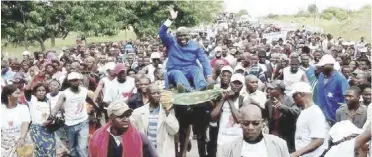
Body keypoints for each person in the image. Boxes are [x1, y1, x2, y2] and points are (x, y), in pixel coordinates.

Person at [159, 6, 213, 92]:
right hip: (174, 71)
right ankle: (186, 90)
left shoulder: (196, 45)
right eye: (179, 35)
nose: (182, 38)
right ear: (176, 36)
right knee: (178, 74)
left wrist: (209, 76)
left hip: (190, 70)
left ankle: (203, 88)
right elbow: (161, 33)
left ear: (190, 36)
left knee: (196, 71)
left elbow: (204, 61)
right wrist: (170, 19)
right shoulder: (171, 42)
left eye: (185, 35)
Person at [48, 72, 96, 157]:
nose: (74, 82)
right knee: (73, 148)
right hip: (70, 124)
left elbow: (92, 100)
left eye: (76, 80)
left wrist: (95, 109)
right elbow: (57, 107)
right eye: (72, 81)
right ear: (69, 82)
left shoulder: (84, 91)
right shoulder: (65, 94)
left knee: (82, 147)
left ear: (79, 81)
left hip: (83, 122)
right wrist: (52, 115)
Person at [217, 104, 290, 157]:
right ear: (240, 123)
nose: (250, 127)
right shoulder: (227, 149)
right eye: (246, 123)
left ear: (262, 123)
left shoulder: (279, 144)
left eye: (255, 123)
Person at [89, 101, 158, 157]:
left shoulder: (140, 138)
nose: (126, 119)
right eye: (121, 116)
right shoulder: (98, 136)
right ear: (111, 118)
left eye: (128, 115)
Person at [131, 84, 179, 157]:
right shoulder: (138, 112)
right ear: (147, 95)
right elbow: (132, 132)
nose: (156, 95)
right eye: (153, 93)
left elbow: (174, 131)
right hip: (146, 152)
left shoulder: (168, 110)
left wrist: (167, 114)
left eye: (158, 93)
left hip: (163, 152)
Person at [289, 82, 329, 157]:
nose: (293, 99)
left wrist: (296, 154)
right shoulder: (305, 111)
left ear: (300, 94)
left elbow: (318, 140)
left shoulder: (315, 112)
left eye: (294, 96)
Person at [265, 80, 300, 153]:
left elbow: (296, 112)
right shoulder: (268, 102)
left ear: (279, 91)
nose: (269, 90)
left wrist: (282, 107)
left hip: (287, 137)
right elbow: (266, 116)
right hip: (273, 135)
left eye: (271, 89)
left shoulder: (290, 100)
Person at [210, 74, 244, 147]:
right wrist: (223, 100)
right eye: (235, 83)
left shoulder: (243, 100)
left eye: (239, 83)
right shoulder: (222, 97)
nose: (237, 85)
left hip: (237, 140)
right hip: (222, 139)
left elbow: (239, 119)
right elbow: (213, 116)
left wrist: (230, 100)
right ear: (230, 83)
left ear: (242, 86)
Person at [24, 82, 57, 156]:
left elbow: (51, 114)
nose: (41, 92)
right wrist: (33, 77)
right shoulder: (32, 100)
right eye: (39, 90)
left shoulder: (48, 101)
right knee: (39, 150)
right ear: (35, 92)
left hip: (48, 129)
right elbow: (27, 89)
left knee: (51, 149)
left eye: (43, 90)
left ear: (46, 92)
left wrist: (51, 121)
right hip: (37, 129)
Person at [316, 54, 349, 125]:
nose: (321, 68)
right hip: (321, 113)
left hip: (334, 115)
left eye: (323, 66)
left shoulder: (340, 78)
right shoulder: (321, 75)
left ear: (330, 66)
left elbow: (346, 97)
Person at [1, 85, 31, 156]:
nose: (20, 95)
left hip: (21, 142)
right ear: (8, 95)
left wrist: (22, 138)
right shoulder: (1, 109)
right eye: (17, 93)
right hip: (5, 145)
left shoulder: (23, 108)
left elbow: (25, 122)